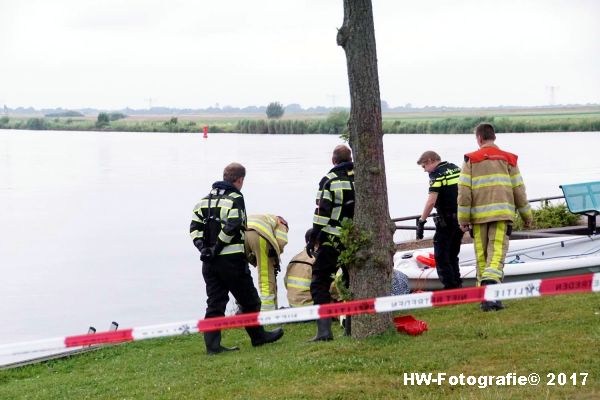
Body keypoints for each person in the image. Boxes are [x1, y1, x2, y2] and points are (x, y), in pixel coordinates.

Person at [190, 162, 284, 354]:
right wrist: (217, 248)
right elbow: (232, 226)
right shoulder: (235, 198)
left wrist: (204, 249)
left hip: (209, 263)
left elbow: (194, 229)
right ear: (240, 180)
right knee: (249, 300)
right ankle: (259, 337)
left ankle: (212, 346)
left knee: (215, 303)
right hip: (231, 260)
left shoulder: (202, 201)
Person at [457, 124, 533, 311]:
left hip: (478, 218)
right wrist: (526, 215)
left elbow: (464, 193)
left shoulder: (470, 160)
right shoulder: (509, 159)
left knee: (482, 257)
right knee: (496, 253)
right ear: (493, 137)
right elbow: (518, 190)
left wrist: (463, 219)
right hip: (501, 215)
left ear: (479, 139)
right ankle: (493, 298)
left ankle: (485, 299)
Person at [307, 144, 355, 340]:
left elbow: (322, 213)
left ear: (334, 160)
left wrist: (313, 237)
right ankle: (351, 326)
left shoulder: (329, 180)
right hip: (354, 239)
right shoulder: (360, 177)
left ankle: (324, 331)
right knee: (350, 281)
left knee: (319, 282)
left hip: (332, 240)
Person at [416, 151, 464, 289]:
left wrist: (421, 221)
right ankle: (457, 283)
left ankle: (450, 288)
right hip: (461, 218)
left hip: (447, 220)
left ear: (431, 161)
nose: (425, 170)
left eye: (424, 166)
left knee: (441, 256)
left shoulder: (437, 175)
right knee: (453, 254)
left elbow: (431, 201)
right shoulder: (455, 168)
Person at [244, 214, 289, 311]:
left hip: (241, 235)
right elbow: (281, 242)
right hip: (259, 235)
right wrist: (275, 259)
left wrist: (254, 260)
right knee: (265, 276)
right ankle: (267, 310)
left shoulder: (265, 218)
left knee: (242, 274)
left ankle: (243, 307)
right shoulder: (281, 223)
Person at [284, 229, 316, 307]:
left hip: (293, 305)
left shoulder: (294, 259)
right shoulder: (317, 260)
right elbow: (332, 288)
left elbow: (285, 282)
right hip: (311, 306)